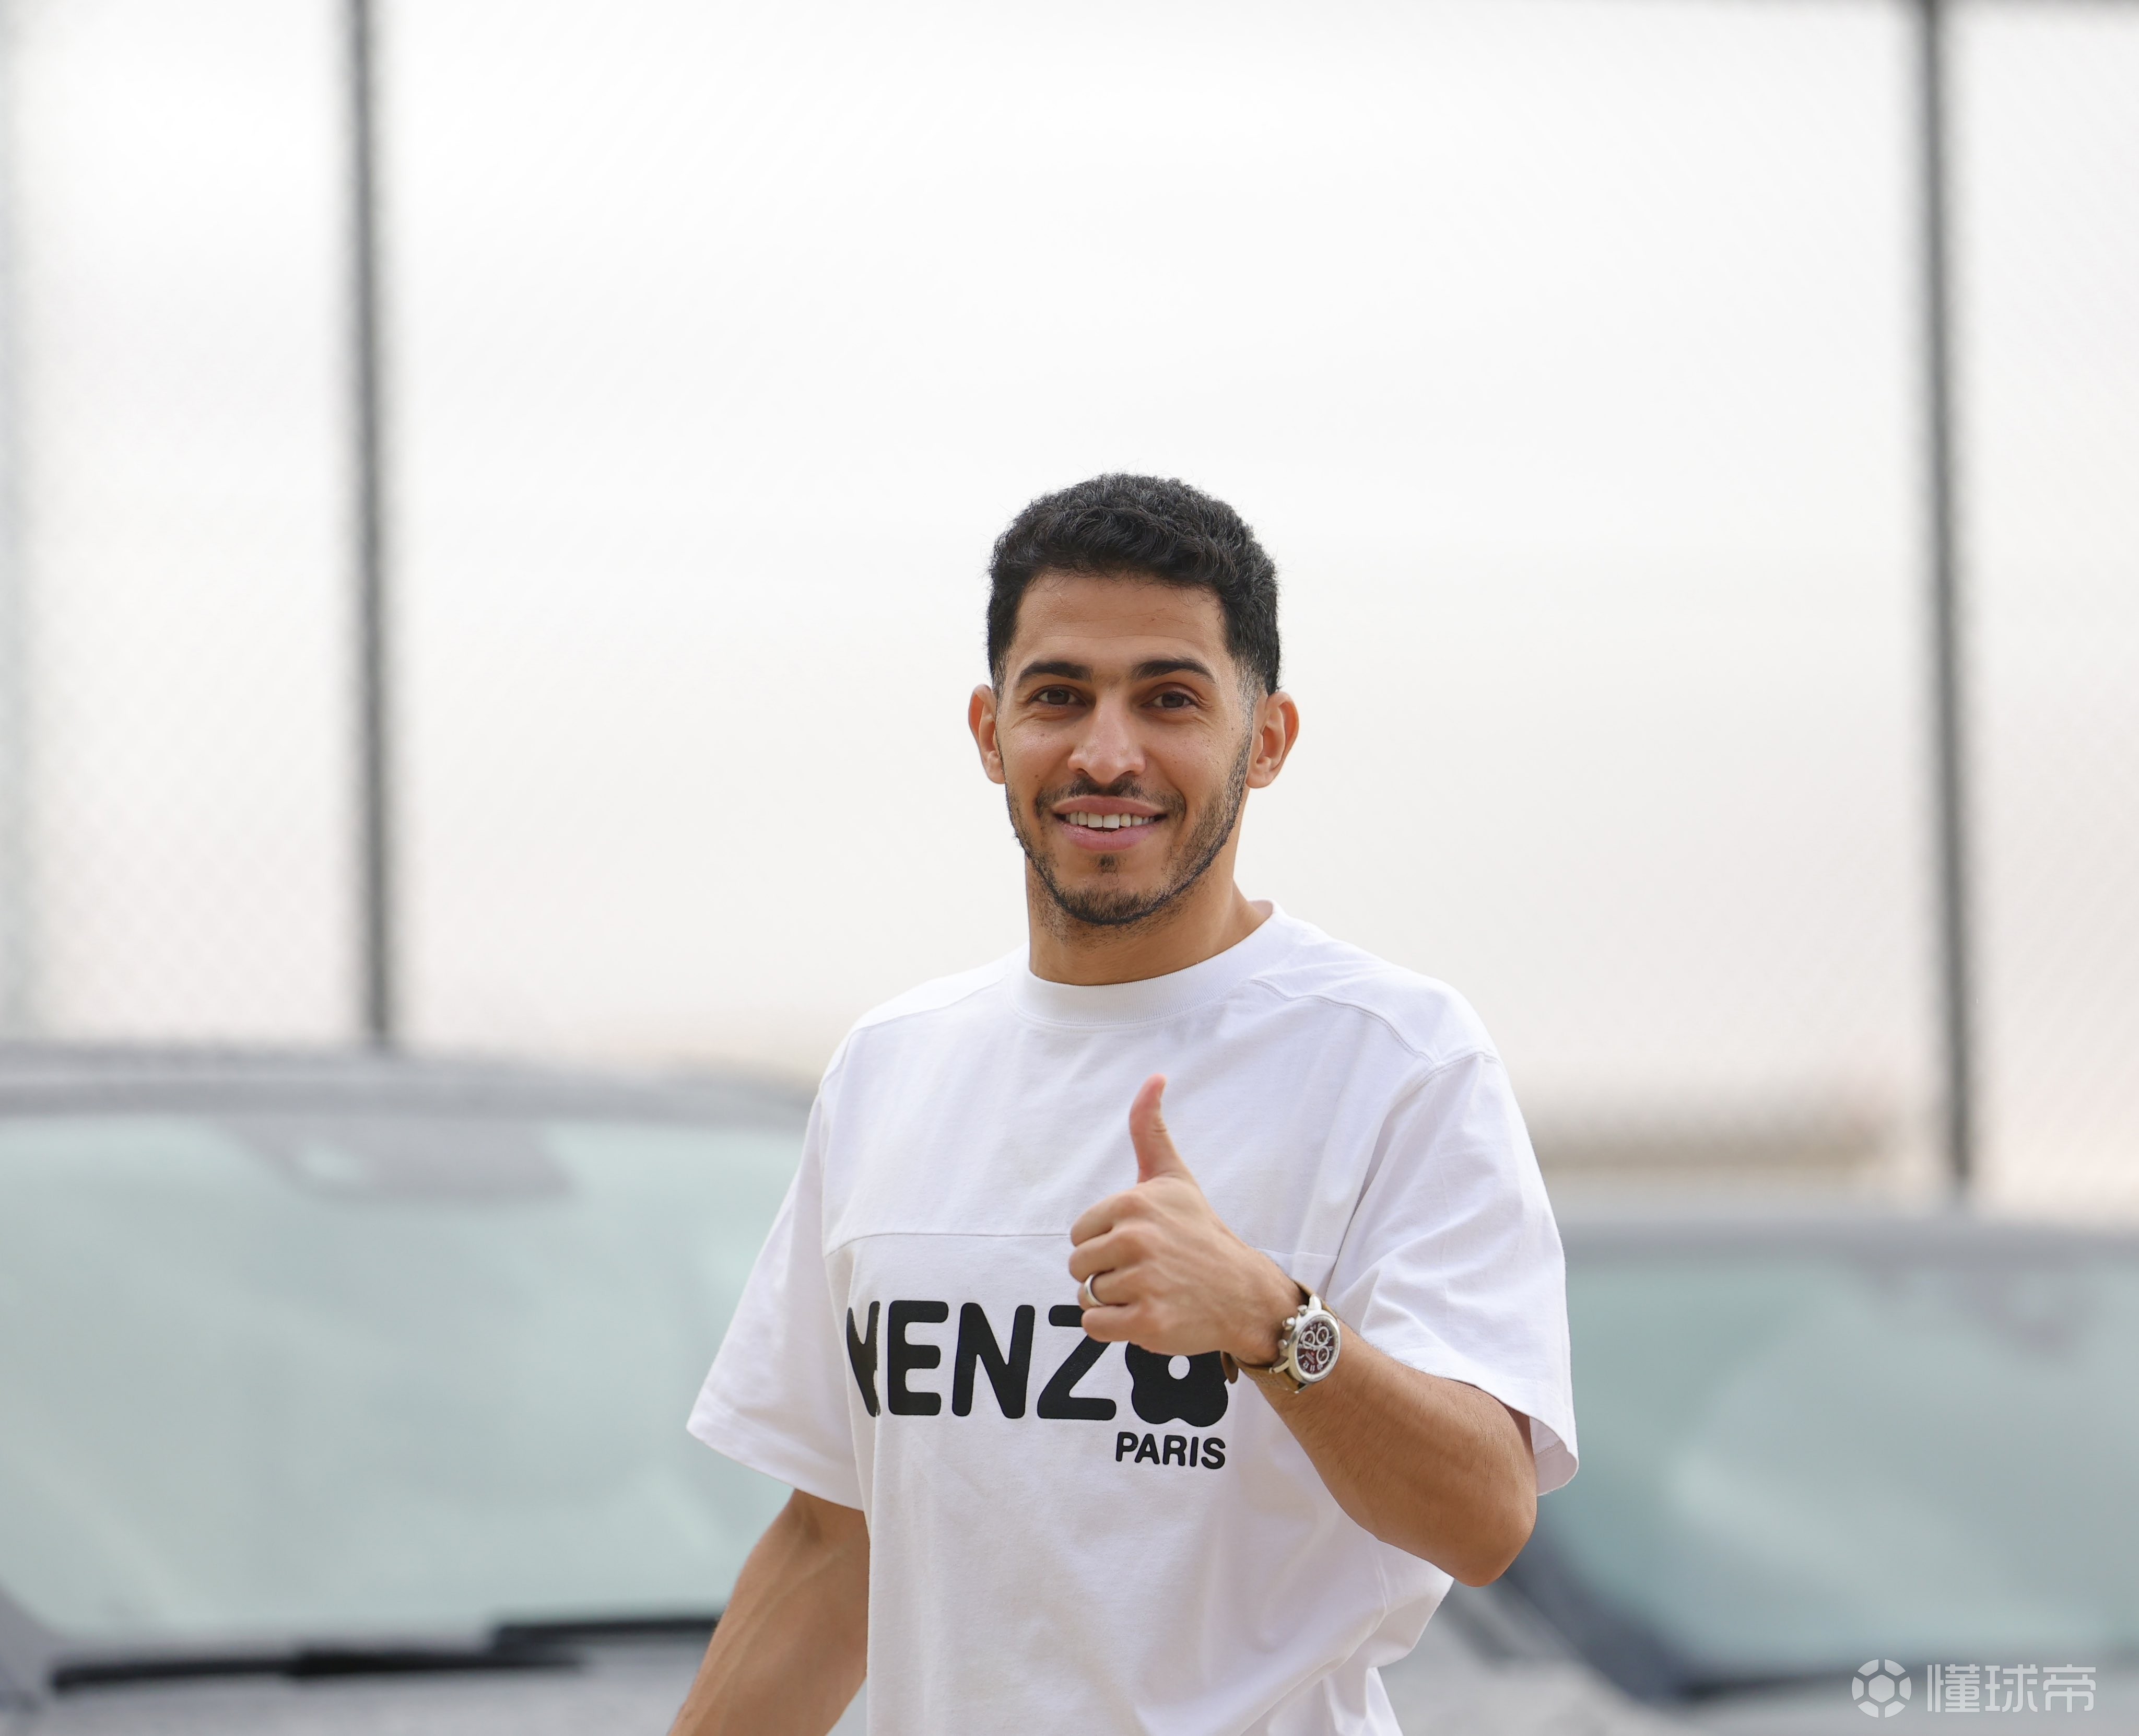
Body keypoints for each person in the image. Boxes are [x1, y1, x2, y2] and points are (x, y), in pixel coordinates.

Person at [669, 475, 1577, 1736]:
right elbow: (835, 1543)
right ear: (989, 731)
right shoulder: (891, 1066)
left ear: (1266, 740)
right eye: (1057, 696)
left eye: (1168, 699)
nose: (1106, 753)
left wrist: (1269, 1323)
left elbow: (1484, 1517)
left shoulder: (1396, 1060)